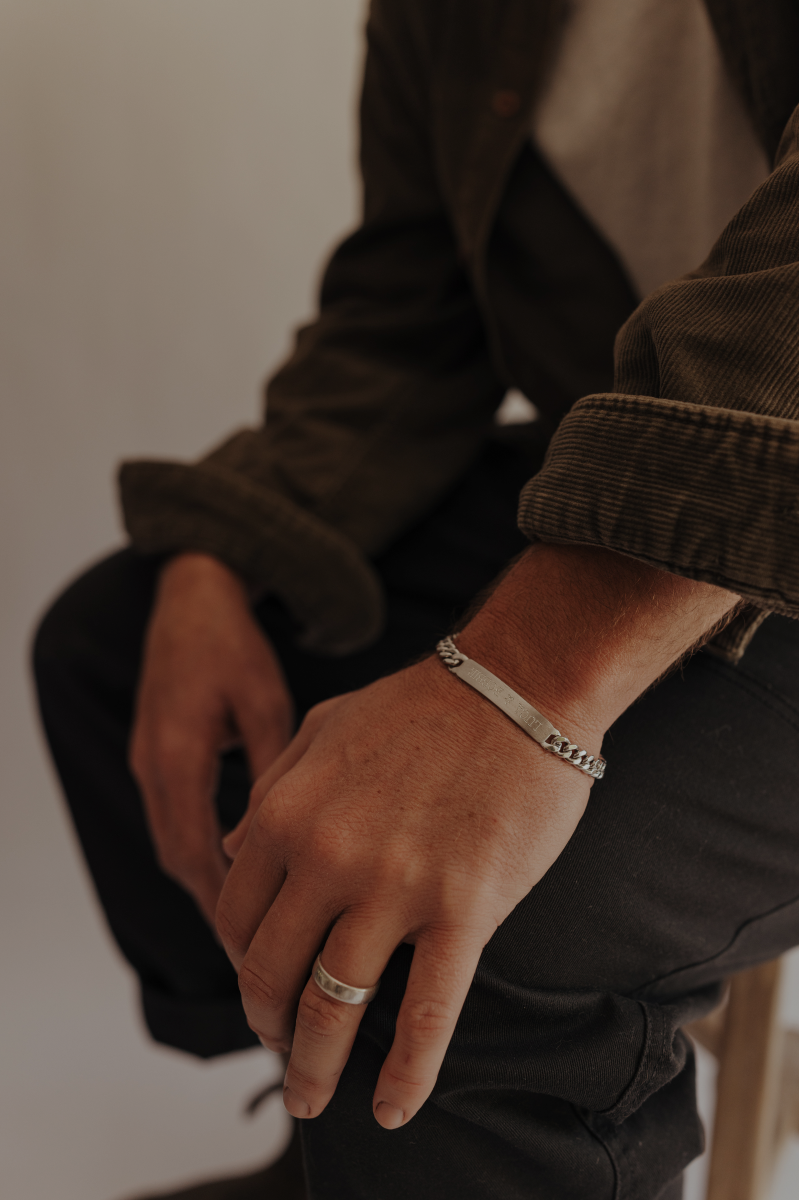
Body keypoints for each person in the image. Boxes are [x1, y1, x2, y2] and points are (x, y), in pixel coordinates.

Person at [33, 1, 799, 1197]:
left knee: (494, 917)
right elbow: (411, 302)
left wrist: (522, 690)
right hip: (627, 492)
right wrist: (224, 550)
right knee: (115, 644)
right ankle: (349, 1144)